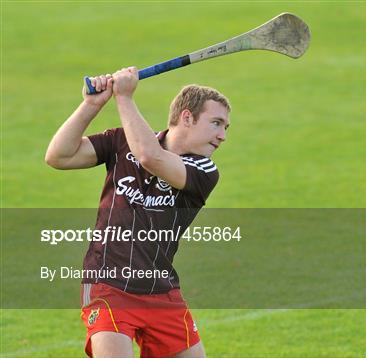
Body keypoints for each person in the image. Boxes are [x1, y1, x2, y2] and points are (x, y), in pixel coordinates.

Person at [45, 67, 231, 358]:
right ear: (187, 117)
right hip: (109, 286)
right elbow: (58, 156)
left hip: (162, 289)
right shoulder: (121, 142)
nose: (222, 136)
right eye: (217, 123)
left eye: (225, 128)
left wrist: (124, 97)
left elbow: (150, 157)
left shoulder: (204, 170)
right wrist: (91, 105)